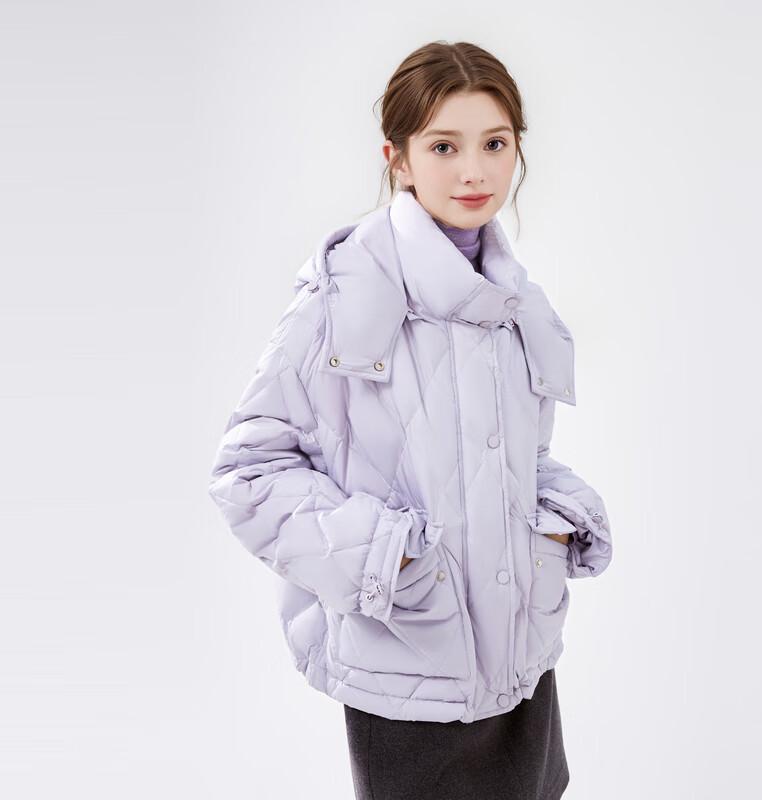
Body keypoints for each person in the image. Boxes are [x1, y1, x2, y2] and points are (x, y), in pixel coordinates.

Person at [208, 39, 613, 800]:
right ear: (397, 159)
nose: (474, 172)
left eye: (495, 143)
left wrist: (559, 519)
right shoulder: (343, 296)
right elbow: (247, 471)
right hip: (409, 665)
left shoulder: (517, 303)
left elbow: (514, 459)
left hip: (522, 663)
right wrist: (389, 559)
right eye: (444, 146)